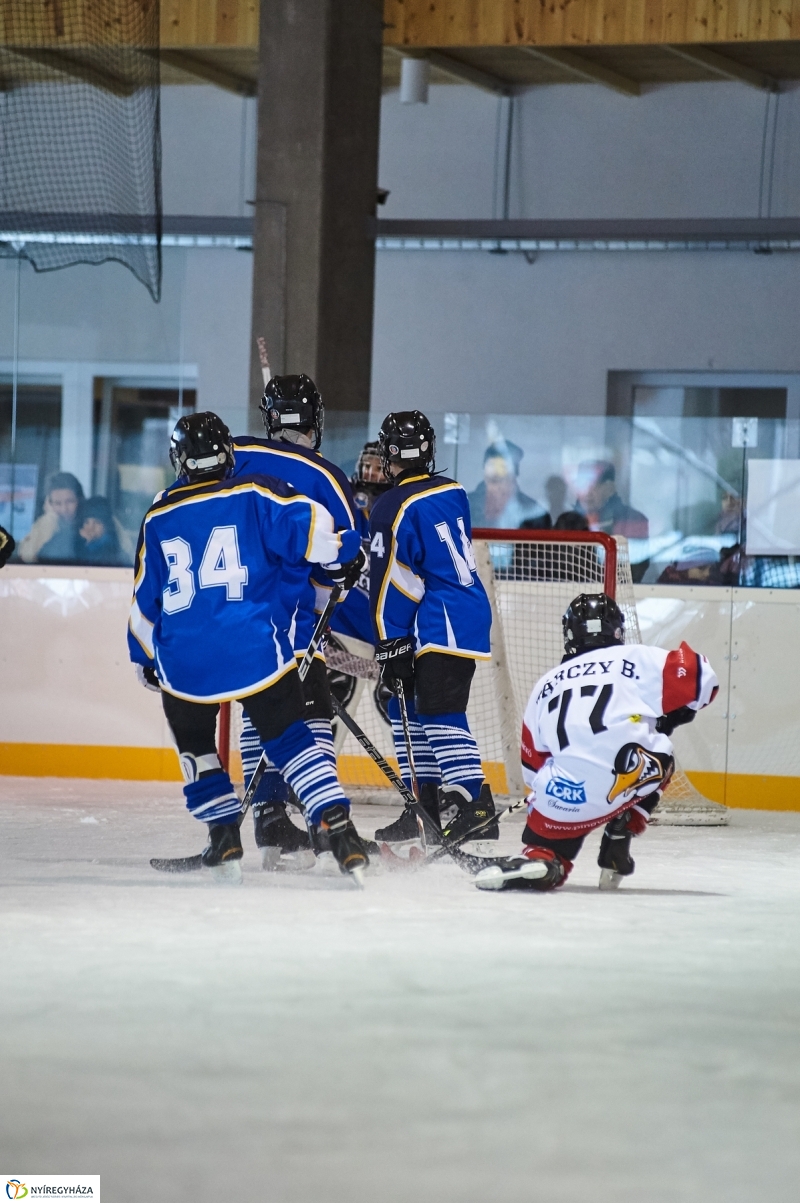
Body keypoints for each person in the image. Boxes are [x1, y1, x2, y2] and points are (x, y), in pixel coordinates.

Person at [128, 410, 369, 884]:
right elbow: (318, 533)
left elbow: (142, 609)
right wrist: (345, 556)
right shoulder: (258, 491)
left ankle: (223, 835)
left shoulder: (157, 515)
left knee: (198, 746)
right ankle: (334, 822)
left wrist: (145, 662)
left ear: (179, 460)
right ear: (228, 454)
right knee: (291, 739)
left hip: (186, 661)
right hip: (256, 648)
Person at [474, 593, 718, 892]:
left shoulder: (546, 684)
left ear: (569, 633)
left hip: (563, 795)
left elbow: (532, 767)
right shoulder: (641, 657)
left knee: (549, 843)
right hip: (630, 774)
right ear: (617, 630)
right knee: (659, 755)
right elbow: (703, 678)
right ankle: (625, 826)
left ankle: (544, 857)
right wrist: (669, 718)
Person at [229, 375, 366, 867]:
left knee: (258, 709)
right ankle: (320, 820)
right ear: (315, 420)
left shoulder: (234, 455)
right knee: (308, 714)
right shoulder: (325, 474)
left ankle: (269, 816)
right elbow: (349, 555)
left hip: (232, 614)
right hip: (291, 616)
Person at [369, 410, 499, 846]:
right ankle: (422, 809)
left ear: (389, 455)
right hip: (464, 611)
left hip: (441, 619)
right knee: (404, 707)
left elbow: (398, 579)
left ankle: (474, 806)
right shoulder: (454, 489)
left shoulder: (389, 505)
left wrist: (391, 643)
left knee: (441, 712)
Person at [575, 461, 649, 582]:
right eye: (582, 484)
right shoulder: (568, 521)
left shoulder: (633, 520)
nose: (587, 492)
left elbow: (633, 573)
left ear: (609, 488)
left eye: (594, 486)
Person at [467, 440, 550, 530]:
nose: (497, 471)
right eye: (493, 464)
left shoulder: (534, 511)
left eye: (503, 466)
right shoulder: (464, 504)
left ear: (515, 472)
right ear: (484, 469)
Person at [19, 471, 84, 563]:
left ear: (80, 499)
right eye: (58, 503)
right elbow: (27, 556)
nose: (64, 509)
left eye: (70, 501)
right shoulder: (44, 524)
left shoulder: (92, 524)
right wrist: (50, 519)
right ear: (49, 504)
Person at [76, 496, 127, 565]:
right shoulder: (79, 543)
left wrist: (86, 543)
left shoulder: (110, 550)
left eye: (97, 522)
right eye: (86, 522)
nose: (90, 528)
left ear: (107, 525)